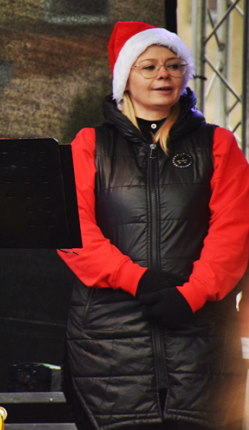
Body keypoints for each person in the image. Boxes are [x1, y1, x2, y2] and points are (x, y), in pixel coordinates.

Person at [57, 21, 249, 430]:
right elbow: (72, 232)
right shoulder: (90, 144)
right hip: (107, 345)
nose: (164, 74)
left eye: (174, 65)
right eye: (148, 66)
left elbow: (235, 232)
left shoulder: (218, 145)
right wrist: (137, 279)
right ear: (124, 77)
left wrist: (191, 294)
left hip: (200, 342)